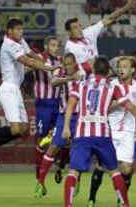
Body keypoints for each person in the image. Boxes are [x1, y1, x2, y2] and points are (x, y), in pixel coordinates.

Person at [62, 56, 136, 207]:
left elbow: (70, 105)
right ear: (108, 72)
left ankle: (68, 205)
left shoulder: (80, 84)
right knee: (114, 171)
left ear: (93, 70)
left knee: (73, 171)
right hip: (103, 134)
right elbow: (131, 107)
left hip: (83, 132)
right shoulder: (113, 87)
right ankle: (125, 204)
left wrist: (66, 127)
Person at [0, 19, 57, 164]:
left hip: (16, 89)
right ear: (9, 30)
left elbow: (31, 54)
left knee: (24, 132)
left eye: (22, 29)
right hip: (8, 89)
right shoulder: (9, 44)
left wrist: (46, 63)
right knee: (16, 129)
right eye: (17, 29)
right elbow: (27, 60)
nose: (20, 32)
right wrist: (48, 68)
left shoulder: (19, 41)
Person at [86, 56, 136, 206]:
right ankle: (91, 198)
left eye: (125, 66)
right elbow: (101, 109)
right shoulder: (110, 85)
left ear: (132, 70)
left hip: (128, 132)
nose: (121, 69)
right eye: (119, 66)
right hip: (110, 130)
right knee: (102, 165)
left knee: (127, 169)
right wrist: (117, 104)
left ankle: (121, 201)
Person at [34, 53, 91, 198]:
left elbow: (95, 62)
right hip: (63, 115)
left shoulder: (83, 69)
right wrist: (69, 78)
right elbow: (53, 82)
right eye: (65, 64)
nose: (66, 67)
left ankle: (77, 179)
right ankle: (40, 184)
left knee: (77, 151)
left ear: (75, 64)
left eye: (69, 64)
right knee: (53, 148)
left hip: (81, 116)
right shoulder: (60, 71)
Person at [64, 0, 136, 67]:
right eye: (75, 28)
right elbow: (72, 69)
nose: (79, 29)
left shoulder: (87, 33)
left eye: (80, 26)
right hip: (86, 78)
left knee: (119, 62)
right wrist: (89, 65)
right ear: (69, 32)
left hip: (99, 72)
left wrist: (125, 8)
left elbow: (109, 19)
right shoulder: (70, 48)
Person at [33, 36, 61, 181]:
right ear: (46, 46)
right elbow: (25, 66)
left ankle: (58, 164)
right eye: (53, 45)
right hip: (43, 104)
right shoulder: (38, 58)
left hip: (58, 104)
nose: (56, 48)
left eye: (57, 45)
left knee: (60, 138)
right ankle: (39, 174)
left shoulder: (60, 61)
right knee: (41, 140)